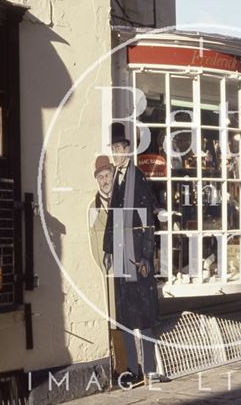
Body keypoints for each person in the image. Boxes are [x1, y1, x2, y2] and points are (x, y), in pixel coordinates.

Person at [103, 122, 163, 387]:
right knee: (125, 314)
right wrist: (107, 247)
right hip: (120, 250)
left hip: (137, 254)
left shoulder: (137, 177)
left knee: (144, 314)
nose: (117, 153)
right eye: (114, 149)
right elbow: (112, 217)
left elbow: (148, 220)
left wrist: (147, 258)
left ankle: (149, 369)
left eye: (119, 148)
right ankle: (132, 369)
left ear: (128, 150)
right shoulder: (117, 177)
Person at [87, 155, 129, 376]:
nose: (105, 180)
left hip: (128, 267)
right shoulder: (93, 209)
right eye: (101, 176)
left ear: (113, 176)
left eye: (107, 175)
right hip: (111, 270)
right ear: (97, 180)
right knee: (115, 319)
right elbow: (95, 244)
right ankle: (122, 367)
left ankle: (135, 364)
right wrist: (108, 266)